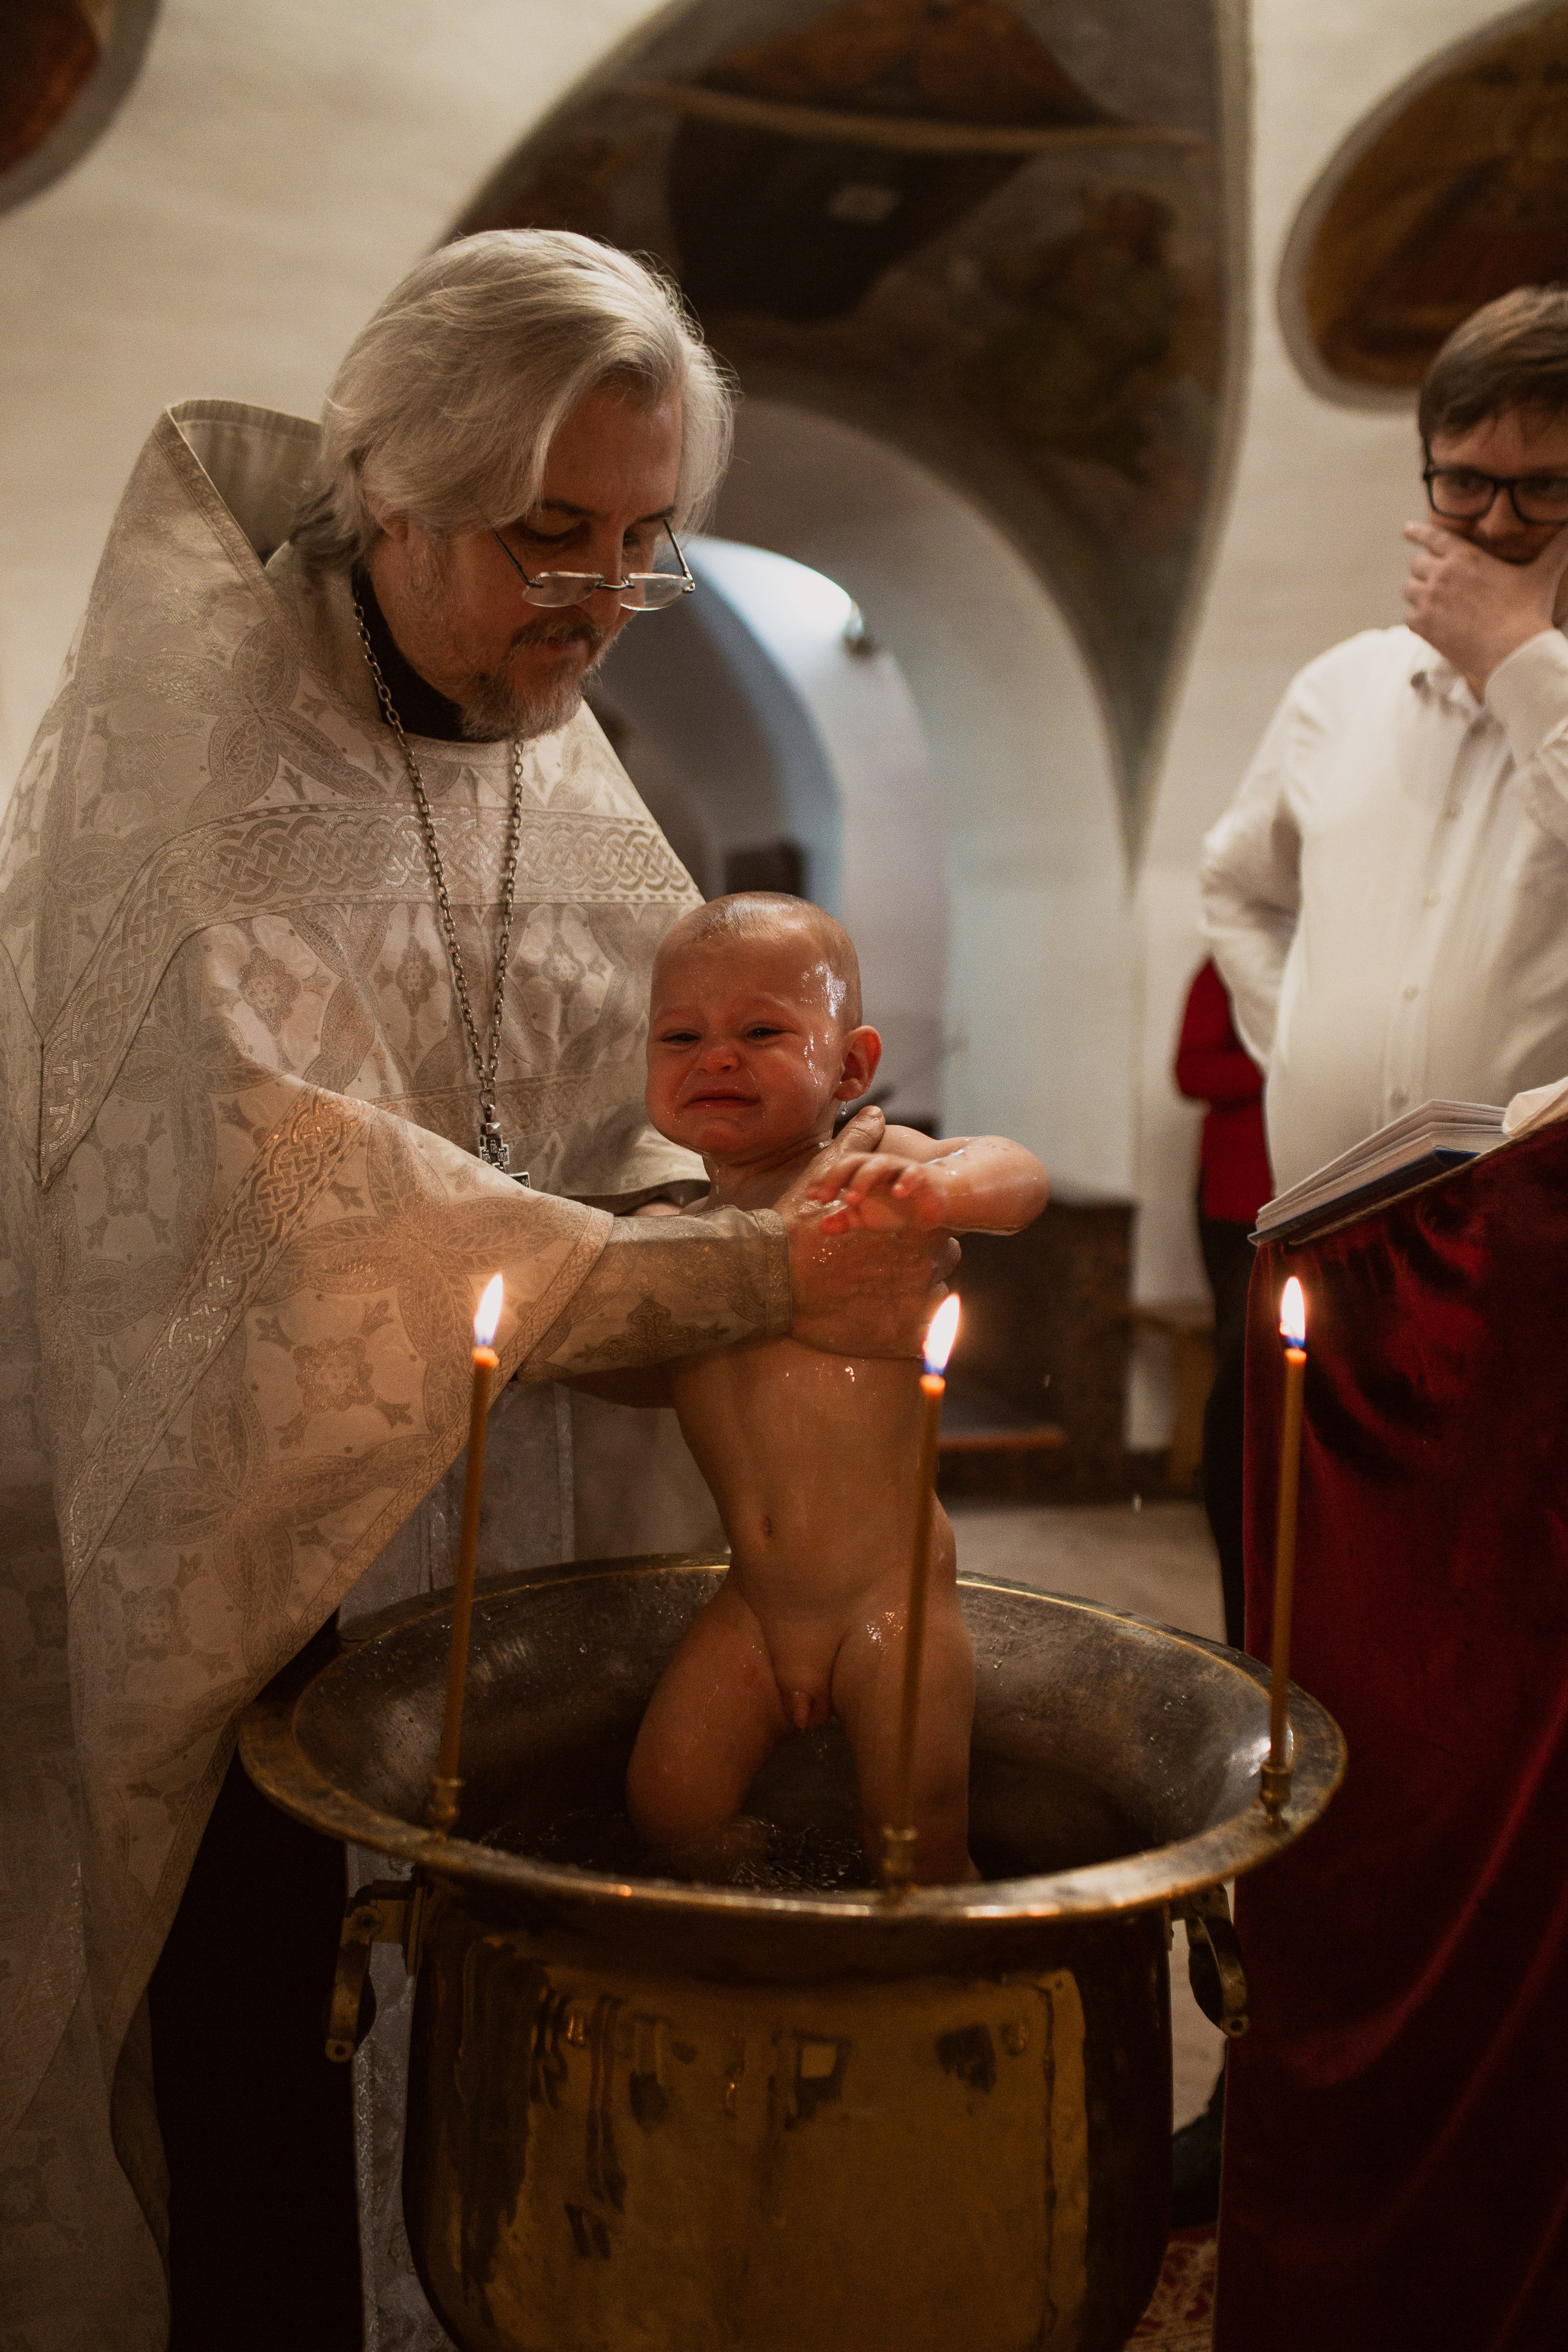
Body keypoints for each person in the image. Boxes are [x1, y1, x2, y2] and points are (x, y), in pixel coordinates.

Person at [0, 232, 956, 2350]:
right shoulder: (202, 764)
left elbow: (617, 1096)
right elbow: (303, 1207)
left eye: (642, 541)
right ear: (388, 489)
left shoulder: (556, 752)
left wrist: (778, 1176)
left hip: (485, 1505)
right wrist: (734, 1266)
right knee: (254, 2036)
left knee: (487, 2011)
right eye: (547, 536)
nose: (598, 598)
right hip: (231, 1529)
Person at [580, 893, 1049, 1888]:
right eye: (681, 1037)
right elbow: (637, 1369)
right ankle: (763, 1929)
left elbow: (1020, 1176)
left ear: (850, 1068)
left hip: (892, 1607)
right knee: (669, 1802)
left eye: (761, 1032)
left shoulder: (862, 1172)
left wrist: (944, 1189)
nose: (717, 1057)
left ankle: (948, 1952)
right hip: (756, 1605)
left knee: (916, 1835)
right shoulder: (678, 1242)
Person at [1201, 284, 1568, 1198]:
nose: (1496, 523)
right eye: (1465, 482)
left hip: (1532, 1235)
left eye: (1545, 487)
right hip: (1329, 1224)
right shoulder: (1338, 688)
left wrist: (1519, 657)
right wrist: (1298, 1041)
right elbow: (1236, 887)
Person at [1173, 956, 1271, 1651]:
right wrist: (1286, 1060)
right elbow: (1193, 1072)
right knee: (1242, 1369)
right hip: (1240, 1199)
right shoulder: (1229, 965)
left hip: (1322, 1188)